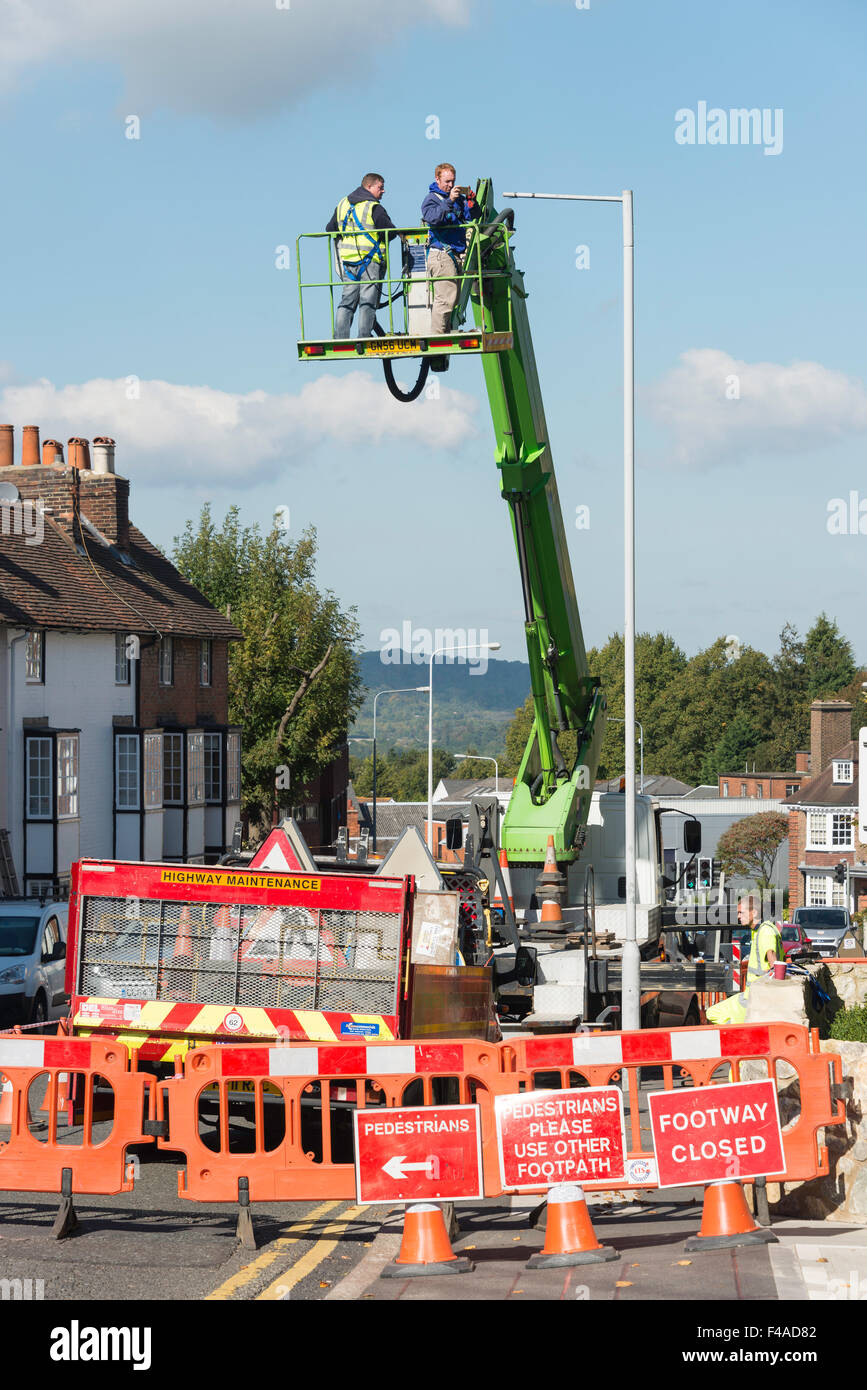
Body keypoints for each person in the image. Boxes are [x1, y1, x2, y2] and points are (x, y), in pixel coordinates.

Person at [326, 174, 403, 338]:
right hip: (370, 263)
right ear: (369, 187)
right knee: (367, 302)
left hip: (347, 263)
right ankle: (364, 336)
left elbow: (330, 228)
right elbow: (389, 232)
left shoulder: (343, 204)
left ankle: (340, 337)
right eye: (380, 187)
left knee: (347, 300)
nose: (383, 191)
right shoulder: (374, 207)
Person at [421, 163, 482, 336]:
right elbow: (433, 218)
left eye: (452, 181)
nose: (450, 185)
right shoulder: (431, 199)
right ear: (437, 179)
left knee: (453, 299)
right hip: (441, 255)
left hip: (454, 255)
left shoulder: (457, 200)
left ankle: (444, 334)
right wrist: (450, 200)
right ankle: (438, 338)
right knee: (444, 300)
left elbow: (472, 217)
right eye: (447, 181)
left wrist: (471, 202)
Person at [706, 895, 783, 1025]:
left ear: (754, 913)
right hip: (757, 996)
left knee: (712, 1013)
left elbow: (773, 961)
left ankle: (739, 1036)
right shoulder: (765, 929)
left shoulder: (764, 932)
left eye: (741, 912)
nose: (738, 916)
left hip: (755, 998)